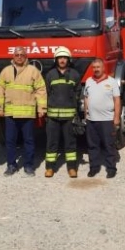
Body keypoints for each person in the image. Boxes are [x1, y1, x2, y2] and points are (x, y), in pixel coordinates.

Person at [0, 47, 47, 177]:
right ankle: (11, 165)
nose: (19, 57)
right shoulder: (6, 71)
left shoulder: (33, 71)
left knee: (29, 141)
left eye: (22, 54)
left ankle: (28, 166)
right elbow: (0, 92)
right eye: (17, 55)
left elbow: (41, 90)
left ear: (26, 56)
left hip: (27, 114)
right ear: (13, 57)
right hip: (10, 114)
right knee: (10, 141)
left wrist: (41, 109)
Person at [44, 46, 82, 178]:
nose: (62, 60)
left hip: (69, 116)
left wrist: (75, 112)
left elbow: (78, 93)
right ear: (56, 59)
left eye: (64, 58)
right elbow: (46, 94)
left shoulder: (75, 75)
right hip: (53, 117)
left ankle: (72, 168)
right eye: (60, 58)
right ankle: (49, 168)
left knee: (70, 143)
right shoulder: (50, 75)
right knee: (51, 143)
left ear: (68, 59)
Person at [83, 58, 121, 179]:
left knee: (109, 145)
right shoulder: (89, 81)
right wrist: (85, 114)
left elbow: (117, 100)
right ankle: (93, 168)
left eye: (98, 67)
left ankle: (111, 169)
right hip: (92, 119)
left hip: (107, 120)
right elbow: (86, 98)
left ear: (103, 68)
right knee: (92, 146)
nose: (96, 69)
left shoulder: (112, 82)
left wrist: (116, 117)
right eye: (94, 67)